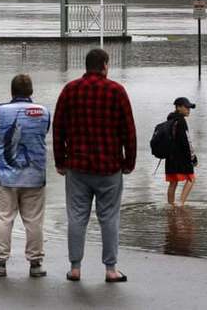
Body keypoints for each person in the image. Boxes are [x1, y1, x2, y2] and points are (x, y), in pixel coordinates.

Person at [53, 48, 136, 283]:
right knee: (109, 217)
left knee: (77, 217)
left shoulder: (70, 90)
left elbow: (58, 128)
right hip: (109, 166)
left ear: (86, 65)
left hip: (77, 166)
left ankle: (75, 267)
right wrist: (128, 162)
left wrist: (60, 161)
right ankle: (110, 269)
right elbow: (128, 130)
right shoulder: (117, 91)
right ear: (105, 65)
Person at [0, 74, 50, 278]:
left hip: (6, 177)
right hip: (35, 177)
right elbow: (44, 131)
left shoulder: (0, 110)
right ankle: (36, 264)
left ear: (11, 91)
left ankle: (0, 263)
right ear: (31, 91)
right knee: (34, 221)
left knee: (4, 219)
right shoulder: (44, 112)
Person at [165, 97, 198, 207]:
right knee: (191, 179)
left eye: (189, 108)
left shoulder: (170, 119)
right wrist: (193, 157)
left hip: (170, 157)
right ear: (178, 107)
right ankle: (180, 204)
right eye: (186, 107)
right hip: (181, 158)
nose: (189, 110)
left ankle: (170, 206)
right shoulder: (182, 121)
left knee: (173, 183)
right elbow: (187, 141)